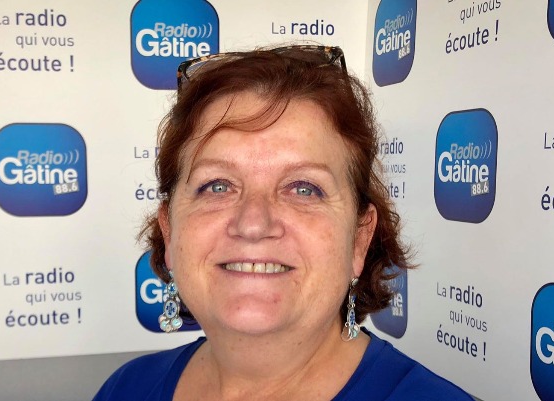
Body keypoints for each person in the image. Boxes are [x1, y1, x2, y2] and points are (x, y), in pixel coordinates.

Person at [94, 45, 473, 401]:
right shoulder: (126, 389)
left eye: (304, 189)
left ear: (360, 239)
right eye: (218, 186)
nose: (253, 224)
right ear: (169, 230)